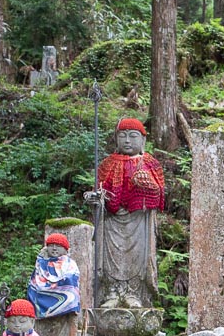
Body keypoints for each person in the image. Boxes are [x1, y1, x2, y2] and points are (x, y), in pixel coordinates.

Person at [86, 117, 165, 308]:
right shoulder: (107, 164)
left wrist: (147, 186)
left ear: (143, 140)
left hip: (139, 220)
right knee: (110, 257)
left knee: (137, 257)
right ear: (116, 139)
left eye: (133, 136)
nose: (127, 141)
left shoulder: (150, 164)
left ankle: (133, 293)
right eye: (122, 136)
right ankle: (112, 292)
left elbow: (159, 195)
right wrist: (97, 199)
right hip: (111, 220)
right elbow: (101, 191)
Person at [27, 233, 80, 319]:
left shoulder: (70, 264)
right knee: (34, 291)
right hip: (42, 292)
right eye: (51, 245)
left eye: (58, 246)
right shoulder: (40, 263)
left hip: (64, 292)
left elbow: (72, 281)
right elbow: (35, 281)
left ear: (65, 249)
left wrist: (59, 284)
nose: (54, 248)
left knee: (71, 292)